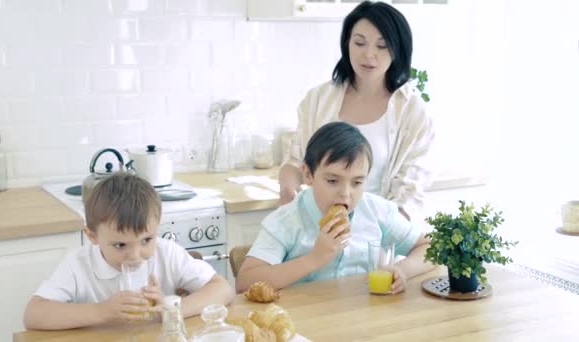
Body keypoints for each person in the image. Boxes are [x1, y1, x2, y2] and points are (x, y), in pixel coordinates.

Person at [279, 1, 435, 221]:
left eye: (382, 46)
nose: (369, 54)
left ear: (397, 50)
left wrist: (381, 235)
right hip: (318, 229)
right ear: (347, 44)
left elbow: (411, 190)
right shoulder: (317, 99)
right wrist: (288, 188)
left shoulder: (412, 111)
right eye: (359, 42)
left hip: (380, 236)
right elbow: (295, 162)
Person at [237, 122, 433, 293]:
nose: (346, 193)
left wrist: (403, 270)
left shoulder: (376, 211)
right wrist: (314, 259)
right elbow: (245, 282)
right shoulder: (287, 220)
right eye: (332, 180)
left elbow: (429, 248)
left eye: (357, 183)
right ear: (308, 174)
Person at [23, 173, 234, 330]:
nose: (135, 256)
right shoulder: (78, 264)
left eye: (146, 240)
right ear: (92, 236)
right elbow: (34, 314)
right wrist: (102, 311)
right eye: (120, 245)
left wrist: (171, 309)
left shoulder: (166, 253)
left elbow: (222, 289)